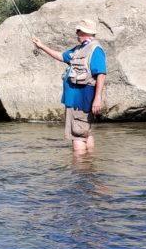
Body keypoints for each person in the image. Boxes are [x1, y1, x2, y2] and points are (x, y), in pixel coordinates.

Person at [32, 19, 107, 153]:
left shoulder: (96, 49)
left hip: (82, 100)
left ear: (84, 32)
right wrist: (41, 46)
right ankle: (89, 165)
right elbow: (61, 56)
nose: (76, 33)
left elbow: (101, 74)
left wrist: (98, 98)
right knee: (85, 132)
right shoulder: (79, 48)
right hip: (75, 100)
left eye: (78, 30)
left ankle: (80, 170)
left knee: (77, 134)